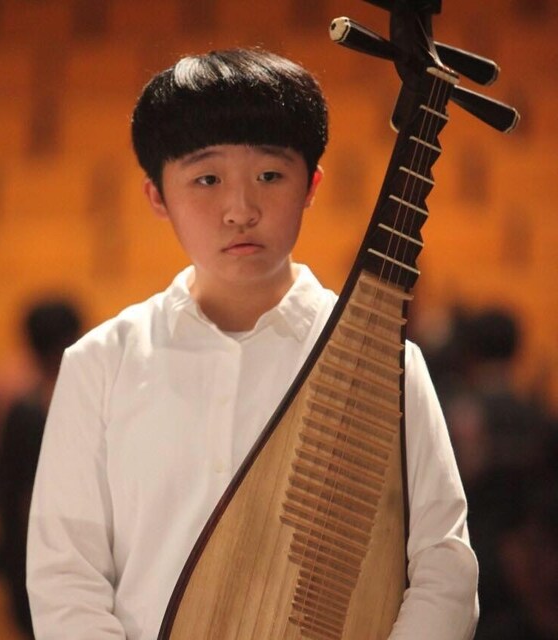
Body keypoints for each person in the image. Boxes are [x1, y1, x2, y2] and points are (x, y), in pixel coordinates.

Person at [27, 48, 478, 639]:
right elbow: (67, 577)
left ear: (311, 184)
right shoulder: (100, 365)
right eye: (206, 179)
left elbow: (445, 562)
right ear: (157, 196)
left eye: (269, 175)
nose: (240, 210)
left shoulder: (384, 360)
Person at [0, 298, 83, 637]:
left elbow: (3, 491)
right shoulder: (27, 411)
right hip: (46, 552)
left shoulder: (19, 407)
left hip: (40, 551)